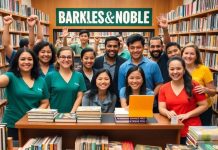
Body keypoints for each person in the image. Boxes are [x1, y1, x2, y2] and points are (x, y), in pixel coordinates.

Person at [0, 49, 49, 140]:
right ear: (17, 61)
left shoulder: (41, 80)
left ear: (34, 61)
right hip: (12, 126)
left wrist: (34, 113)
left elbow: (45, 102)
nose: (26, 62)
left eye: (30, 59)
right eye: (22, 59)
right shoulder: (11, 76)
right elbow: (2, 80)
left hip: (33, 124)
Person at [158, 56, 208, 144]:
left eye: (178, 69)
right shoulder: (163, 88)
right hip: (173, 129)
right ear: (168, 70)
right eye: (172, 69)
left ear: (184, 70)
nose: (175, 72)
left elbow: (204, 105)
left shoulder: (194, 85)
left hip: (192, 130)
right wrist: (167, 112)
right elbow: (161, 108)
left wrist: (187, 115)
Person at [118, 34, 163, 112]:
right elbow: (121, 88)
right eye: (132, 48)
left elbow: (159, 84)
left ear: (143, 47)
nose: (135, 50)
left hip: (149, 106)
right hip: (128, 107)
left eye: (138, 47)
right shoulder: (123, 67)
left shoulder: (153, 65)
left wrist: (150, 97)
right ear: (128, 48)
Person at [181, 43, 216, 126]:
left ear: (196, 56)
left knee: (201, 136)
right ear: (182, 54)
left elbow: (213, 92)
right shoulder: (179, 68)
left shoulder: (204, 69)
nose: (188, 56)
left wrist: (206, 90)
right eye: (186, 53)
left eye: (192, 54)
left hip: (203, 109)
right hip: (186, 107)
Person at [45, 46, 86, 113]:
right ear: (58, 59)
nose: (66, 59)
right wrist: (51, 113)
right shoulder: (50, 76)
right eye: (63, 57)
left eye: (69, 57)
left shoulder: (79, 76)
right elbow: (45, 98)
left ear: (72, 59)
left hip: (73, 116)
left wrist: (72, 113)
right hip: (54, 116)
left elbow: (80, 96)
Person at [93, 36, 126, 107]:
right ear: (105, 47)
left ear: (119, 47)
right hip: (99, 102)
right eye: (109, 46)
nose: (112, 49)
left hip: (119, 101)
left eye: (115, 46)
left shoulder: (124, 63)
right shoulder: (96, 62)